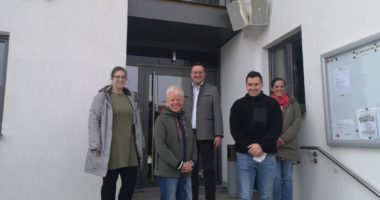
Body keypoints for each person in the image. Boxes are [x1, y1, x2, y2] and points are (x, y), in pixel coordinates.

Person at [84, 66, 145, 200]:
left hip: (129, 151)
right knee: (109, 185)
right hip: (110, 150)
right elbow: (93, 120)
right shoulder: (102, 97)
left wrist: (141, 143)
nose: (120, 79)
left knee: (129, 186)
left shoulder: (130, 97)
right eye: (117, 77)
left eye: (123, 77)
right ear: (112, 78)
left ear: (126, 79)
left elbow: (137, 123)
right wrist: (94, 144)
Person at [229, 71, 282, 200]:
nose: (253, 87)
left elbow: (276, 128)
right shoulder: (238, 105)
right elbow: (235, 130)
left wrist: (261, 146)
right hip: (244, 155)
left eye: (256, 84)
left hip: (267, 155)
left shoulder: (272, 104)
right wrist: (251, 147)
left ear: (262, 84)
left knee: (267, 195)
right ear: (246, 85)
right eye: (250, 84)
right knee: (245, 195)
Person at [183, 62, 223, 200]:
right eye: (195, 72)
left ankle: (210, 197)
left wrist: (218, 134)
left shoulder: (213, 90)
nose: (197, 75)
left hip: (207, 135)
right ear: (191, 74)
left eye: (200, 72)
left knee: (209, 170)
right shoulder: (184, 90)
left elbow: (217, 113)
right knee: (191, 170)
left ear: (204, 74)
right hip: (189, 135)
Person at [154, 85, 197, 200]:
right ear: (167, 102)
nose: (175, 102)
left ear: (182, 101)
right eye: (172, 100)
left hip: (186, 172)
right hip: (168, 173)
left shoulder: (186, 120)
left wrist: (192, 162)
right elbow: (160, 146)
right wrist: (179, 164)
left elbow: (193, 143)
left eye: (178, 99)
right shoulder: (161, 120)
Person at [271, 78, 301, 200]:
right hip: (273, 147)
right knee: (276, 179)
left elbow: (297, 123)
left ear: (285, 87)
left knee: (287, 179)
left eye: (282, 86)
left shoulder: (293, 103)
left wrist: (283, 138)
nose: (279, 89)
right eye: (276, 86)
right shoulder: (268, 103)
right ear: (272, 88)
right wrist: (274, 139)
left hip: (289, 146)